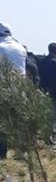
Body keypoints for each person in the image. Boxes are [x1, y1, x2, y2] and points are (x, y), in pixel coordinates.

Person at [0, 22, 28, 158]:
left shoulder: (1, 47)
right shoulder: (21, 48)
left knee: (3, 123)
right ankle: (22, 153)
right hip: (20, 91)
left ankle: (1, 154)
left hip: (4, 90)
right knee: (19, 123)